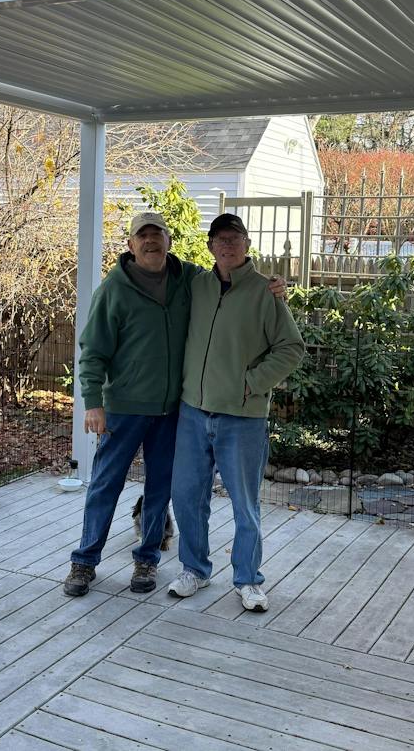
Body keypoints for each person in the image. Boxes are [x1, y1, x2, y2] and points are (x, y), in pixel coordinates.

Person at [64, 210, 285, 598]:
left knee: (160, 490)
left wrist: (273, 284)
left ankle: (147, 558)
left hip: (171, 411)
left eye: (157, 235)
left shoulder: (189, 280)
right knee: (104, 485)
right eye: (142, 236)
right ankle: (84, 561)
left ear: (169, 241)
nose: (151, 241)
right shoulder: (113, 289)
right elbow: (92, 350)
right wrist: (93, 402)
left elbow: (231, 276)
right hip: (123, 409)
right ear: (131, 244)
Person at [168, 212, 305, 612]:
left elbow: (291, 347)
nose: (227, 245)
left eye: (235, 238)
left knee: (245, 504)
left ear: (247, 244)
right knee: (187, 497)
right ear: (210, 246)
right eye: (220, 239)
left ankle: (248, 580)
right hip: (193, 412)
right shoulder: (196, 285)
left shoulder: (265, 291)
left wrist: (252, 383)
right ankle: (195, 570)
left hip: (242, 417)